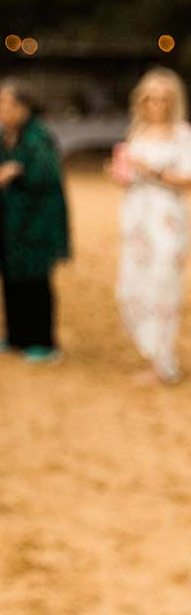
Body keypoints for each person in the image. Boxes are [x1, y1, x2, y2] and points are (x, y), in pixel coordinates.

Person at [0, 79, 70, 362]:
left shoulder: (38, 138)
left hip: (36, 224)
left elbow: (46, 177)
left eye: (7, 104)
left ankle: (43, 341)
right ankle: (15, 335)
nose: (1, 110)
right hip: (8, 224)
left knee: (35, 280)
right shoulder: (1, 138)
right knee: (10, 278)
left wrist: (17, 172)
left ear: (24, 108)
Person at [113, 67, 191, 385]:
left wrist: (152, 172)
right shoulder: (138, 133)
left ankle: (165, 363)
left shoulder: (183, 134)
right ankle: (153, 354)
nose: (156, 104)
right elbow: (131, 177)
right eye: (151, 98)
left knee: (164, 288)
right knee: (132, 287)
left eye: (163, 98)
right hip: (137, 220)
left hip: (167, 221)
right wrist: (123, 173)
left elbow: (187, 179)